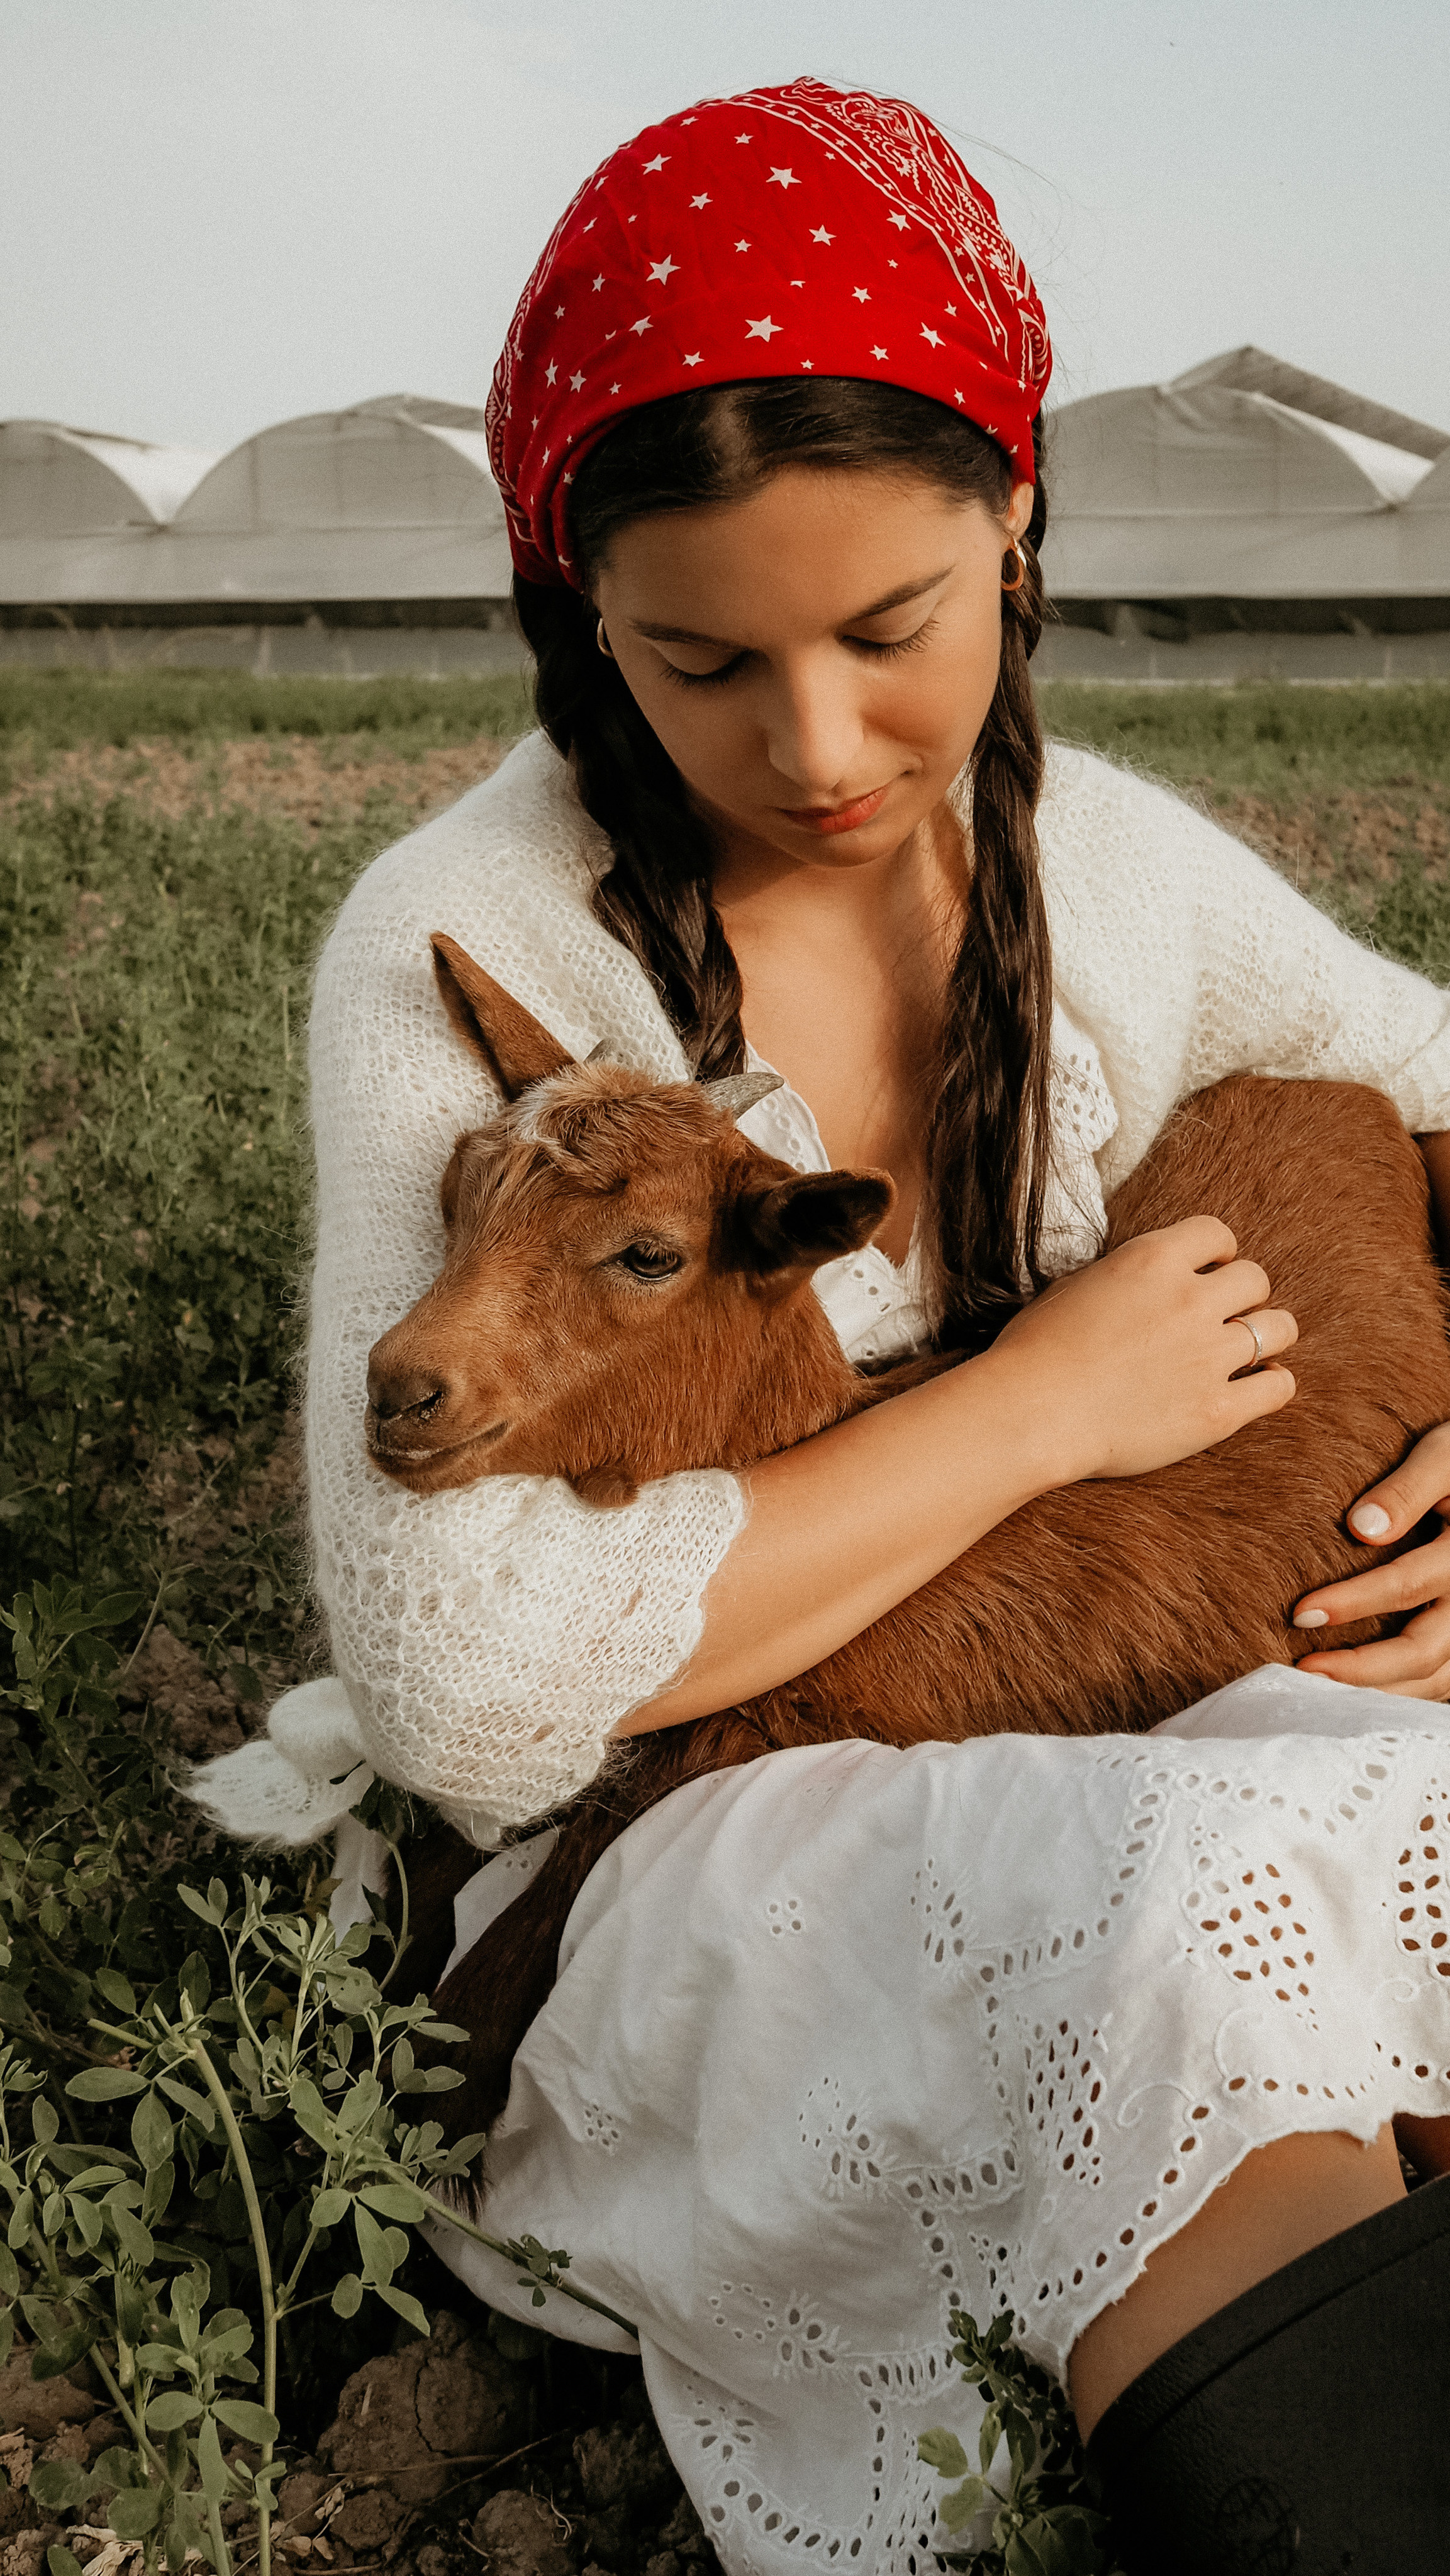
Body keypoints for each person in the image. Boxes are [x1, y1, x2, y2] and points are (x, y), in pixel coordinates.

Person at [194, 78, 1450, 2571]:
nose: (819, 749)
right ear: (579, 623)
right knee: (1137, 1903)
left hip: (1109, 1688)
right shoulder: (471, 949)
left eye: (896, 635)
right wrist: (1027, 1409)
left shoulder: (1085, 865)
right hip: (700, 1846)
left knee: (1319, 1792)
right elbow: (469, 1690)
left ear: (1018, 526)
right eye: (698, 664)